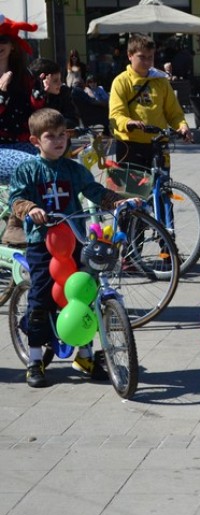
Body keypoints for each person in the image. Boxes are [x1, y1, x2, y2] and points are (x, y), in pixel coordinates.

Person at [6, 108, 141, 388]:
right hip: (42, 243)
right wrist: (30, 209)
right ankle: (34, 359)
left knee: (86, 293)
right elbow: (16, 200)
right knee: (41, 299)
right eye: (50, 137)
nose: (58, 141)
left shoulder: (74, 169)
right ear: (35, 142)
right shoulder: (28, 170)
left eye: (61, 136)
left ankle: (85, 354)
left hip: (75, 239)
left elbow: (96, 192)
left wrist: (117, 201)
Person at [109, 34, 192, 168]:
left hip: (159, 144)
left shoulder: (161, 81)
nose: (147, 62)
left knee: (162, 186)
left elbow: (174, 112)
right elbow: (116, 114)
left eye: (150, 57)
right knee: (133, 189)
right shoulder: (121, 81)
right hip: (131, 145)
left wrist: (182, 126)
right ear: (130, 55)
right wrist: (128, 122)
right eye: (142, 57)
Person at [0, 14, 45, 154]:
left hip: (24, 142)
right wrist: (1, 92)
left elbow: (36, 110)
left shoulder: (25, 75)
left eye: (3, 39)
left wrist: (39, 96)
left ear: (12, 45)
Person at [29, 58, 80, 130]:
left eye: (60, 79)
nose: (60, 83)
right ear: (41, 82)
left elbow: (73, 120)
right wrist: (42, 96)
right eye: (55, 81)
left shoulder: (64, 92)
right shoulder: (31, 97)